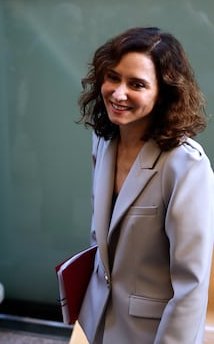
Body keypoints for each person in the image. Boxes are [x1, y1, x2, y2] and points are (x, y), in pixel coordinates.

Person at [76, 27, 214, 343]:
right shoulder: (103, 139)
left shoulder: (186, 165)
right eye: (113, 77)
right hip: (97, 318)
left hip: (149, 332)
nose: (118, 92)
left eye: (136, 84)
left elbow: (191, 284)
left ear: (164, 93)